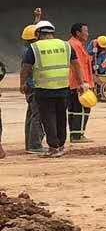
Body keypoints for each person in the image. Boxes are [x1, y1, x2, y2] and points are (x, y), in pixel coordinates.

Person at [19, 21, 73, 157]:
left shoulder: (34, 47)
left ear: (38, 34)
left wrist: (22, 83)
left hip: (43, 89)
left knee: (46, 118)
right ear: (52, 32)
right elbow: (76, 63)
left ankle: (51, 147)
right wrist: (83, 82)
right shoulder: (65, 45)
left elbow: (25, 68)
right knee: (61, 117)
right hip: (62, 88)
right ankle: (60, 145)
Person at [68, 23, 95, 143]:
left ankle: (75, 134)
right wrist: (83, 83)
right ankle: (78, 135)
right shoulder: (75, 45)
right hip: (79, 83)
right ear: (78, 33)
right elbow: (78, 66)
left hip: (74, 83)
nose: (87, 34)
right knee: (82, 109)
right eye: (86, 31)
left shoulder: (75, 44)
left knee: (74, 109)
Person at [20, 23, 44, 154]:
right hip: (34, 86)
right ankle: (35, 145)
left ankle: (30, 144)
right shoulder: (32, 51)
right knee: (38, 115)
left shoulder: (27, 48)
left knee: (31, 115)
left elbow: (32, 29)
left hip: (29, 87)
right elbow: (26, 69)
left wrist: (37, 19)